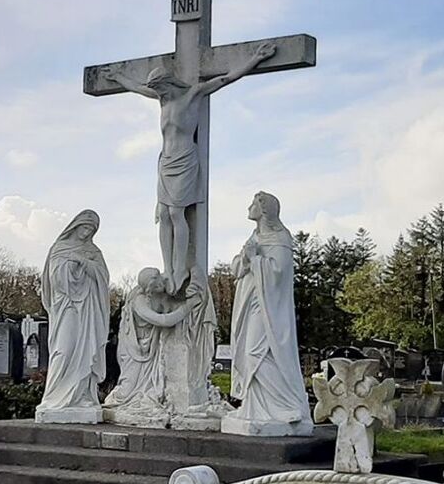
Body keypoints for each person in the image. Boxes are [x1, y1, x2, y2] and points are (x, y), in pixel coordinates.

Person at [102, 41, 276, 295]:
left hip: (184, 159)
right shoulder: (162, 101)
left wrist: (255, 59)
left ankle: (180, 268)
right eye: (156, 90)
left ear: (168, 82)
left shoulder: (192, 94)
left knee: (175, 213)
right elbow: (138, 88)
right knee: (163, 215)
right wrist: (118, 76)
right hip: (165, 162)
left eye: (160, 87)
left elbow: (226, 79)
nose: (157, 92)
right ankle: (168, 268)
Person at [222, 192, 313, 436]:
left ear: (264, 209)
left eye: (253, 203)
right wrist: (245, 258)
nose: (249, 206)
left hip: (267, 307)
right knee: (251, 351)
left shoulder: (280, 238)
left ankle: (287, 405)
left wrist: (255, 260)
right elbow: (238, 269)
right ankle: (255, 407)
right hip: (250, 302)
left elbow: (278, 272)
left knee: (255, 352)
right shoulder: (255, 236)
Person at [35, 210, 110, 423]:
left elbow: (103, 279)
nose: (87, 233)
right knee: (63, 349)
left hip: (88, 309)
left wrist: (85, 263)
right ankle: (54, 397)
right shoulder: (59, 248)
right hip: (66, 306)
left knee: (87, 349)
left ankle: (83, 396)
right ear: (76, 226)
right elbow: (54, 281)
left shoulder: (94, 251)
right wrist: (71, 267)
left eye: (92, 230)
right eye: (85, 228)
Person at [103, 267, 197, 424]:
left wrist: (190, 276)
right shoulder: (139, 302)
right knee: (128, 390)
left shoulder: (159, 296)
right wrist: (188, 307)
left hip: (150, 348)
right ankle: (117, 400)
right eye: (156, 278)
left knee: (148, 389)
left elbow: (173, 299)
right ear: (149, 287)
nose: (162, 279)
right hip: (134, 351)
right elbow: (164, 321)